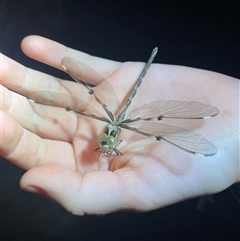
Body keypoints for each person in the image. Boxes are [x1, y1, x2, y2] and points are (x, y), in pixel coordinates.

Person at [1, 36, 239, 215]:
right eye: (106, 143)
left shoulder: (124, 133)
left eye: (108, 143)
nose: (106, 145)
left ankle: (152, 58)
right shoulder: (104, 136)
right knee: (62, 101)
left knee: (166, 134)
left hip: (134, 111)